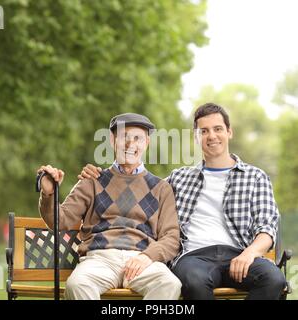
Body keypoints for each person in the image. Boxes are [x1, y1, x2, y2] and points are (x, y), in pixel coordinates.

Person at [80, 103, 286, 300]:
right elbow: (136, 185)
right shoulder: (179, 178)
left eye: (217, 129)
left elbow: (267, 228)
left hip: (240, 254)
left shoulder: (255, 177)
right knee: (193, 281)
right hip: (194, 257)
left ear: (229, 132)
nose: (211, 136)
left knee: (274, 280)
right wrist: (99, 175)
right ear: (196, 137)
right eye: (204, 131)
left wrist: (249, 254)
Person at [37, 112, 181, 300]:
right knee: (77, 285)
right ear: (112, 141)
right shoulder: (92, 181)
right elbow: (60, 220)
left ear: (147, 143)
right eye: (124, 137)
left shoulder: (162, 188)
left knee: (170, 284)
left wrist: (147, 256)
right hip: (100, 259)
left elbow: (171, 237)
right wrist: (48, 194)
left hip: (143, 259)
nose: (130, 144)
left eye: (137, 138)